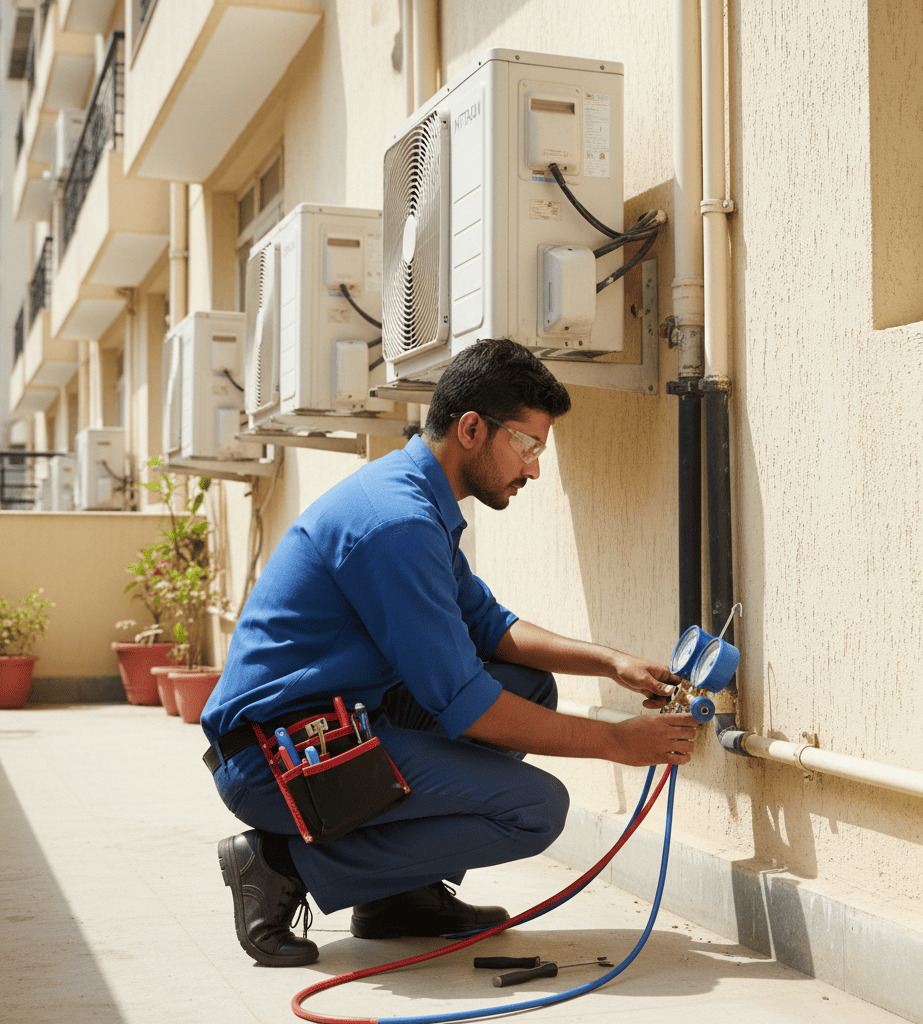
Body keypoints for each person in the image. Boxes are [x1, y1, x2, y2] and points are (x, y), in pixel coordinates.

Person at [201, 338, 698, 968]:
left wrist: (611, 662)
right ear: (470, 429)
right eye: (528, 446)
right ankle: (279, 862)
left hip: (338, 721)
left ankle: (396, 895)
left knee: (529, 686)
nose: (534, 470)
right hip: (276, 758)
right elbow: (466, 703)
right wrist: (617, 742)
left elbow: (489, 626)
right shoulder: (397, 523)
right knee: (535, 810)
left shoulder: (412, 496)